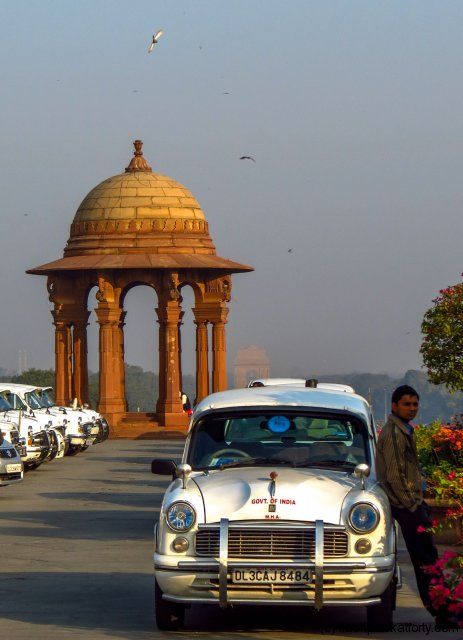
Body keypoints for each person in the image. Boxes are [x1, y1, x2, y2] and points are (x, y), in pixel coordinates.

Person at [376, 385, 443, 621]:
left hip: (410, 505)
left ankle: (442, 607)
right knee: (426, 561)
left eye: (415, 404)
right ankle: (440, 610)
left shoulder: (403, 429)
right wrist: (412, 505)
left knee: (429, 558)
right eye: (407, 404)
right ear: (395, 406)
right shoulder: (394, 432)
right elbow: (394, 476)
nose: (412, 409)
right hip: (406, 507)